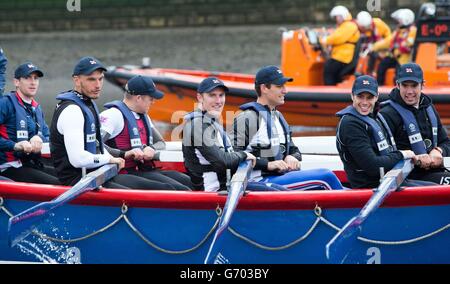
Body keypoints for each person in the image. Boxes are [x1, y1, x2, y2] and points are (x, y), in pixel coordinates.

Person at [50, 56, 162, 189]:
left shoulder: (87, 104)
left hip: (97, 175)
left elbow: (97, 145)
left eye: (100, 79)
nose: (97, 85)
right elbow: (78, 159)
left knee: (167, 188)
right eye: (91, 79)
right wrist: (109, 159)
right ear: (77, 80)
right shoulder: (72, 110)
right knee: (155, 192)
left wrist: (121, 155)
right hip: (79, 183)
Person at [232, 66, 344, 190]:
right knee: (326, 176)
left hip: (279, 178)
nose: (285, 91)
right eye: (280, 87)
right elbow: (234, 156)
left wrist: (292, 157)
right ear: (264, 88)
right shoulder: (248, 118)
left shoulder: (278, 117)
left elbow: (294, 150)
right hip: (259, 181)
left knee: (330, 182)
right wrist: (267, 164)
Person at [336, 75, 436, 188]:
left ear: (376, 97)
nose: (364, 102)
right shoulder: (350, 124)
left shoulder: (374, 117)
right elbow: (373, 166)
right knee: (439, 193)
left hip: (389, 182)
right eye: (360, 97)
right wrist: (402, 154)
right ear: (352, 96)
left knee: (437, 188)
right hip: (371, 189)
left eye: (369, 97)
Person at [100, 75, 192, 190]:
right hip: (119, 173)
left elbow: (161, 143)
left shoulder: (143, 116)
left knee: (188, 181)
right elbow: (95, 145)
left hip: (140, 171)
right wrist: (124, 154)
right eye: (151, 98)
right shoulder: (112, 115)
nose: (153, 102)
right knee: (175, 189)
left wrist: (151, 148)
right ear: (138, 98)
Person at [379, 63, 450, 185]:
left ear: (423, 84)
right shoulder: (387, 114)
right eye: (405, 86)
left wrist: (438, 150)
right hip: (408, 178)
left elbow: (446, 142)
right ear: (397, 85)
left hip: (435, 172)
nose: (409, 91)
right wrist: (414, 158)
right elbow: (384, 155)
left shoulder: (429, 108)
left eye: (414, 85)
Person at [182, 77, 256, 192]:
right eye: (212, 95)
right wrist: (244, 155)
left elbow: (228, 154)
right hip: (212, 192)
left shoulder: (211, 119)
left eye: (221, 95)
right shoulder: (198, 125)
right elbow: (221, 161)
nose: (218, 101)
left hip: (227, 186)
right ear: (200, 97)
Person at [0, 61, 59, 184]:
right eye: (27, 78)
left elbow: (47, 136)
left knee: (69, 178)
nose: (33, 82)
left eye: (36, 78)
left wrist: (39, 138)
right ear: (16, 82)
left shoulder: (37, 108)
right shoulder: (5, 104)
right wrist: (15, 146)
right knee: (59, 185)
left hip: (29, 163)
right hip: (8, 167)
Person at [375, 9, 417, 85]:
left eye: (399, 21)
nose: (398, 23)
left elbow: (408, 44)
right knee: (382, 66)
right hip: (394, 57)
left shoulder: (412, 31)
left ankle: (398, 92)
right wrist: (373, 47)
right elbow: (388, 42)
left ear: (405, 20)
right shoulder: (398, 31)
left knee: (398, 75)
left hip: (404, 59)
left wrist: (401, 45)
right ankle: (379, 87)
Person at [322, 5, 360, 85]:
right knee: (330, 68)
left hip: (343, 57)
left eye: (337, 17)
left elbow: (338, 37)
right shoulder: (344, 26)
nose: (336, 19)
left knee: (328, 68)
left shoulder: (349, 25)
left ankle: (329, 92)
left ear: (342, 16)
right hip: (341, 56)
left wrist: (325, 40)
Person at [355, 11, 392, 75]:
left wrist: (375, 46)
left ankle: (371, 73)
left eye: (367, 26)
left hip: (381, 50)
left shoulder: (378, 24)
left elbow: (390, 39)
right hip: (365, 51)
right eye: (363, 27)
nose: (366, 28)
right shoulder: (356, 28)